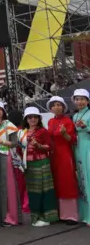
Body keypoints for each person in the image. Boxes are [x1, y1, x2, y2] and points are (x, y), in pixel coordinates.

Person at [0, 101, 21, 227]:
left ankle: (10, 216)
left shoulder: (9, 125)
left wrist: (1, 141)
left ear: (3, 111)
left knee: (7, 186)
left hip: (5, 156)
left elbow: (14, 143)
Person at [23, 107, 58, 226]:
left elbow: (50, 147)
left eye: (35, 117)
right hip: (28, 164)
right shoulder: (22, 132)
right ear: (26, 119)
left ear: (39, 118)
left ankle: (46, 217)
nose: (33, 119)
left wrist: (38, 145)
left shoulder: (43, 131)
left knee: (45, 190)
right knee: (33, 192)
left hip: (42, 163)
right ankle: (36, 217)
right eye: (30, 117)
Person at [46, 96, 79, 224]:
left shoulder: (68, 121)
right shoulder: (50, 122)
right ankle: (59, 214)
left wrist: (65, 133)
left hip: (65, 154)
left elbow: (73, 140)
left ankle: (71, 215)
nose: (56, 107)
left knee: (67, 182)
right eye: (54, 105)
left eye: (59, 105)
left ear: (63, 107)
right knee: (56, 182)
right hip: (53, 155)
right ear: (51, 108)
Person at [72, 88, 90, 225]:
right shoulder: (75, 116)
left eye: (82, 99)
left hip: (88, 148)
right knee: (82, 179)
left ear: (88, 101)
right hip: (78, 148)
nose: (80, 102)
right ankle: (85, 214)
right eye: (77, 99)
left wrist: (86, 128)